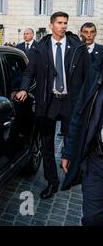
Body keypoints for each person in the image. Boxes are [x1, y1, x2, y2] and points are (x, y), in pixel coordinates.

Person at [14, 12, 90, 199]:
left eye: (65, 23)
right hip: (48, 102)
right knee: (47, 144)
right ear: (51, 25)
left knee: (73, 139)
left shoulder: (77, 48)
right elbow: (28, 73)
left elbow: (88, 75)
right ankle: (52, 182)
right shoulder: (39, 49)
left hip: (70, 102)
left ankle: (72, 173)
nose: (63, 26)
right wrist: (24, 89)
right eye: (59, 23)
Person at [61, 62, 103, 225]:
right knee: (92, 219)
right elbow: (79, 114)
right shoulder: (96, 72)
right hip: (95, 161)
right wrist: (69, 151)